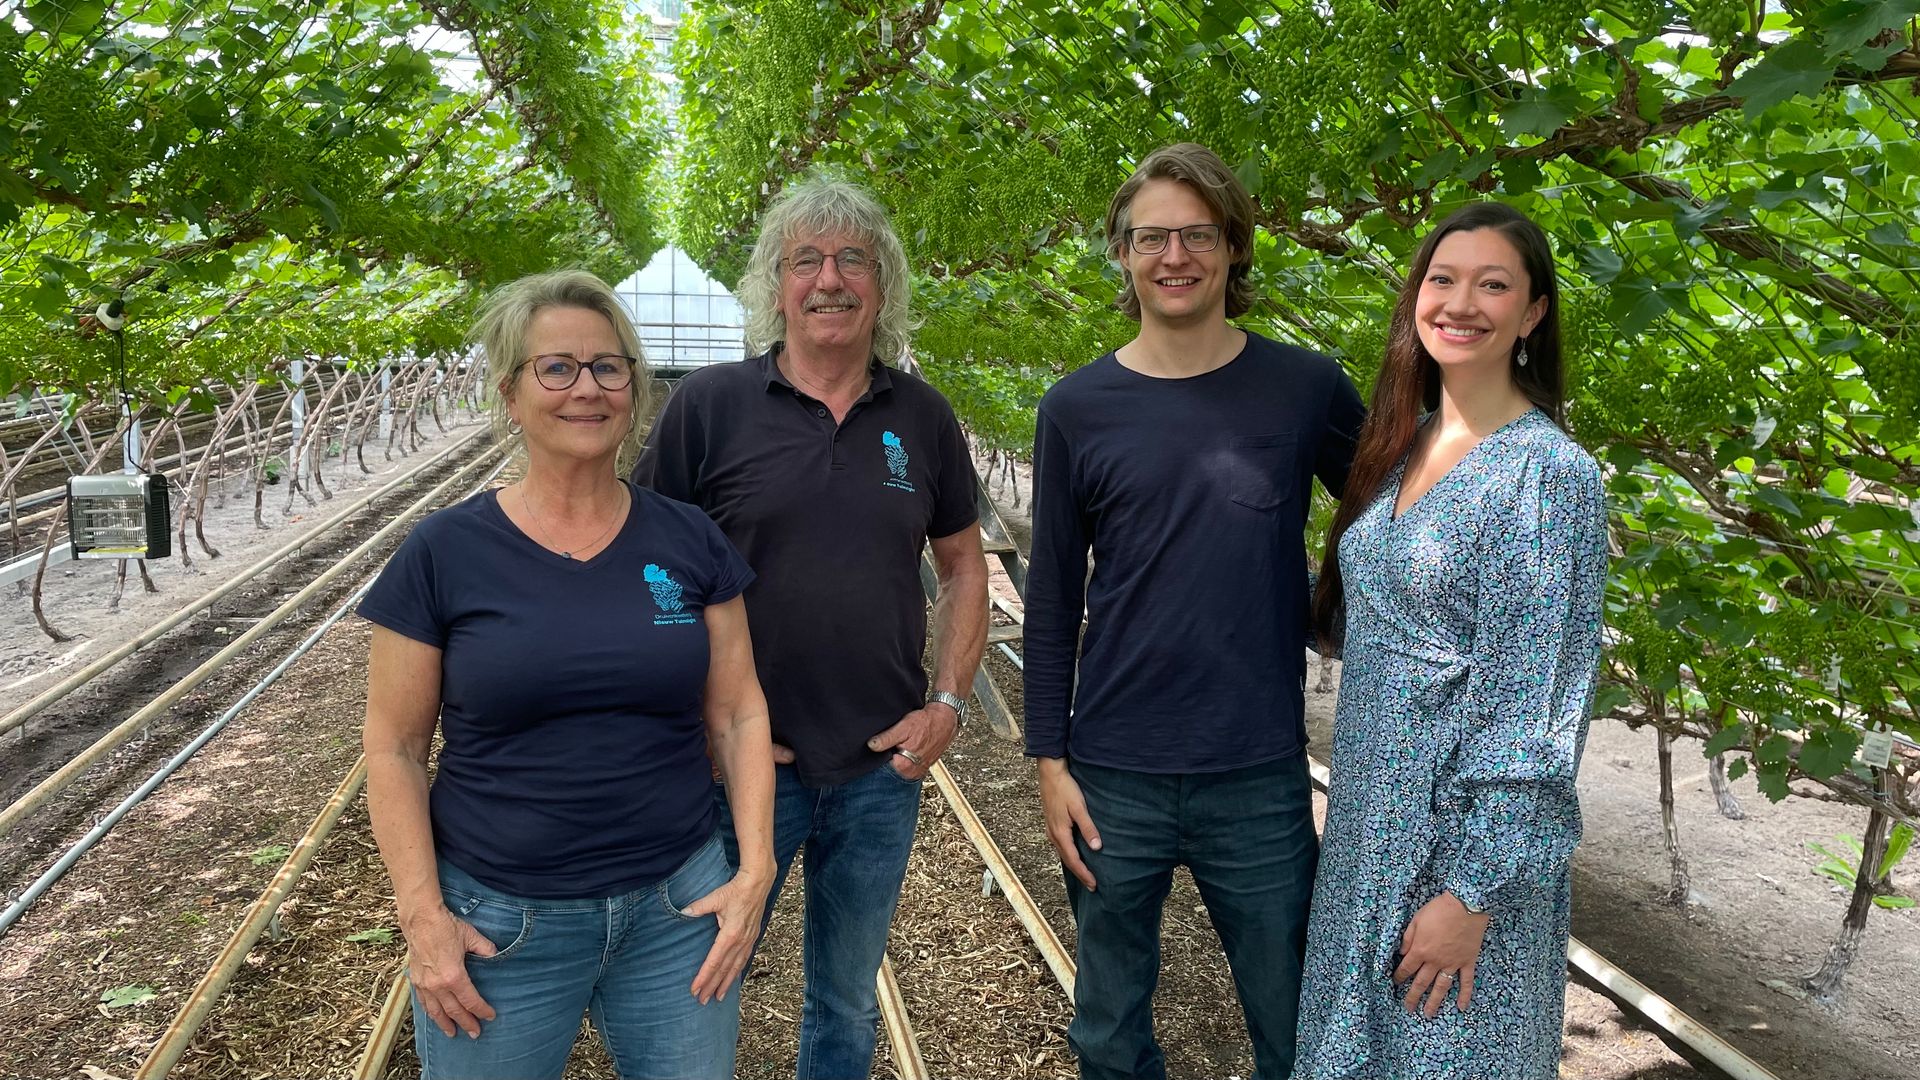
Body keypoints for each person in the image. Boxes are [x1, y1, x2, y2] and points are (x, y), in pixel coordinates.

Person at [360, 270, 776, 1080]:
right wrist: (423, 918)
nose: (586, 388)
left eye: (608, 367)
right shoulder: (444, 553)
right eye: (557, 367)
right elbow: (395, 749)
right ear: (511, 394)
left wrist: (752, 869)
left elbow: (738, 713)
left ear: (634, 389)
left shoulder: (688, 540)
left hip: (676, 909)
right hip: (497, 921)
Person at [1023, 142, 1366, 1080]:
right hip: (1111, 776)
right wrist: (1047, 761)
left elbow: (1393, 508)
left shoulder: (1304, 388)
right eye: (1151, 238)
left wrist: (1332, 607)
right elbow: (1051, 594)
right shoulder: (1077, 407)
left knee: (1295, 1024)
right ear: (1122, 255)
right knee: (1107, 1032)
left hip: (1254, 772)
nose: (1173, 256)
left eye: (1196, 235)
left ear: (1233, 249)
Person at [634, 176, 989, 1079]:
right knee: (698, 982)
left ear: (883, 284)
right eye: (806, 261)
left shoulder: (923, 415)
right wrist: (691, 723)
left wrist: (947, 700)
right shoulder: (707, 408)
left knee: (843, 998)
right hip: (736, 768)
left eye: (852, 259)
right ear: (774, 284)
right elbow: (642, 571)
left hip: (880, 770)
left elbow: (961, 565)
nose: (829, 279)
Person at [1295, 202, 1609, 1079]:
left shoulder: (1546, 476)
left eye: (1493, 283)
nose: (1460, 302)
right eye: (1442, 279)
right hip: (1368, 835)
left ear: (1533, 313)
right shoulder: (1408, 444)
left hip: (1456, 853)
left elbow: (1537, 709)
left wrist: (1471, 892)